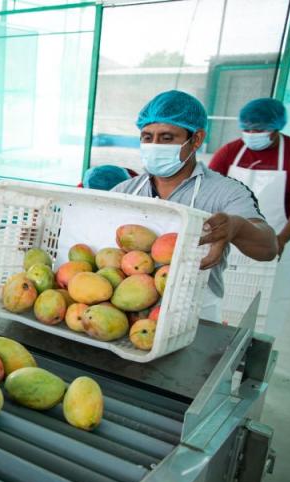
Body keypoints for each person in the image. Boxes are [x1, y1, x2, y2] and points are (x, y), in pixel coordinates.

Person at [112, 90, 277, 322]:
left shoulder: (226, 192)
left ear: (196, 139)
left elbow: (268, 248)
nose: (155, 145)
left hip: (195, 317)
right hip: (126, 313)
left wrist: (237, 227)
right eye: (147, 137)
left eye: (167, 138)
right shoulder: (124, 191)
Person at [209, 98, 290, 337]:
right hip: (228, 239)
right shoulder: (230, 152)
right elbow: (208, 191)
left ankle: (257, 355)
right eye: (247, 129)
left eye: (258, 130)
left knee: (268, 306)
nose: (251, 134)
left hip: (279, 240)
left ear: (276, 127)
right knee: (223, 304)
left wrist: (279, 240)